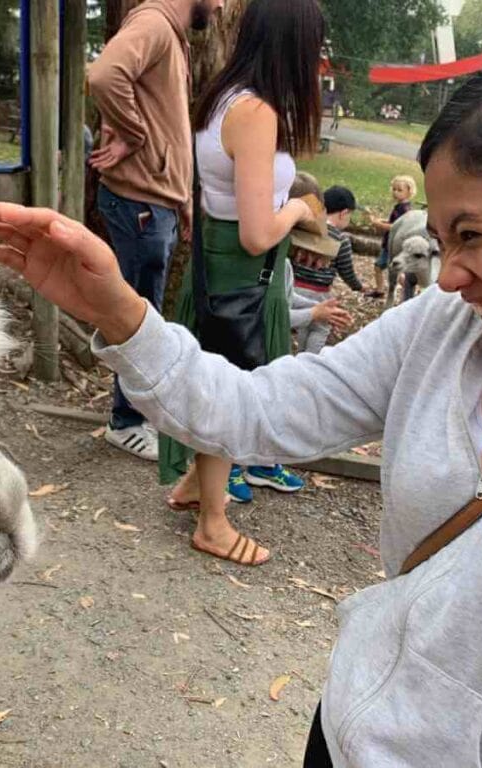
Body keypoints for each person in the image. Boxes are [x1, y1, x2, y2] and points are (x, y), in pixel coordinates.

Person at [0, 19, 482, 766]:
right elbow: (257, 414)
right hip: (350, 733)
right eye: (443, 241)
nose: (448, 276)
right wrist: (120, 313)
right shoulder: (447, 327)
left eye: (475, 236)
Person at [158, 0, 323, 560]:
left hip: (216, 265)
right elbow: (257, 233)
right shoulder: (255, 112)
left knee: (215, 378)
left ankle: (191, 486)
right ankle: (213, 521)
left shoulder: (223, 96)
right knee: (229, 393)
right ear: (294, 47)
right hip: (238, 270)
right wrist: (300, 211)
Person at [86, 0, 222, 461]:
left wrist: (181, 195)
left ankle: (134, 416)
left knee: (144, 313)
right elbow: (105, 74)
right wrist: (135, 134)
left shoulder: (170, 34)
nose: (221, 7)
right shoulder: (154, 25)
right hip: (138, 202)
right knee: (136, 318)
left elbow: (172, 125)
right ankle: (125, 421)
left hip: (156, 201)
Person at [290, 182, 359, 353]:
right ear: (344, 213)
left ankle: (300, 356)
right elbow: (346, 270)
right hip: (318, 291)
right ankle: (309, 358)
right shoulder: (341, 239)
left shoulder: (304, 230)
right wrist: (358, 286)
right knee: (320, 327)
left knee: (306, 322)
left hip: (294, 285)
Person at [366, 175, 416, 299]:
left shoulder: (405, 209)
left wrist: (378, 224)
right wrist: (382, 220)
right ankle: (380, 290)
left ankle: (410, 295)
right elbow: (393, 221)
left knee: (395, 273)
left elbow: (396, 226)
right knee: (381, 267)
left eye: (399, 190)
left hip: (394, 246)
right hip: (389, 244)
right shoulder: (400, 206)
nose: (395, 192)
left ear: (409, 192)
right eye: (394, 189)